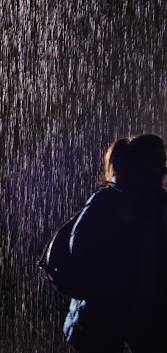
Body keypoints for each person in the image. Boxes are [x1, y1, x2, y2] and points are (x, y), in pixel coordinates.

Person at [63, 134, 167, 353]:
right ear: (136, 166)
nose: (162, 170)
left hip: (142, 322)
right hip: (106, 324)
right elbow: (80, 253)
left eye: (162, 162)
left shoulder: (158, 205)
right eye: (156, 162)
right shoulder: (107, 203)